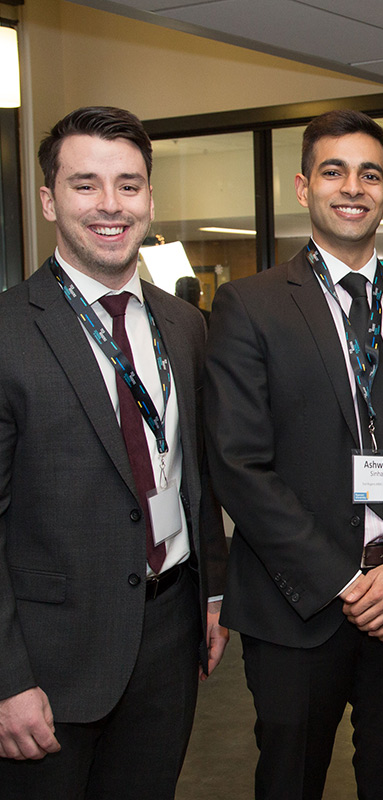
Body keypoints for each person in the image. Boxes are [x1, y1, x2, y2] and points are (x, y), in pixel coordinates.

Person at [204, 110, 383, 799]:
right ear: (304, 186)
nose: (352, 187)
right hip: (299, 611)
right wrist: (347, 582)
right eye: (334, 170)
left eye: (370, 174)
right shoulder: (250, 306)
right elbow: (240, 464)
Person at [0, 106, 228, 798]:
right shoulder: (8, 331)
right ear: (48, 199)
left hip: (168, 637)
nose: (110, 205)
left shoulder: (185, 326)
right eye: (85, 184)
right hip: (49, 659)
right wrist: (6, 681)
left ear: (150, 199)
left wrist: (212, 591)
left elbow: (196, 477)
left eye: (129, 185)